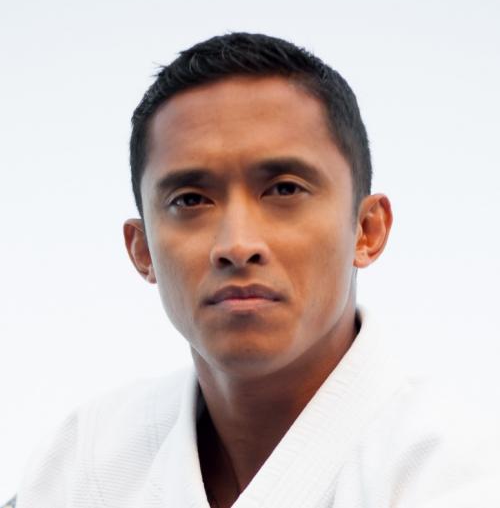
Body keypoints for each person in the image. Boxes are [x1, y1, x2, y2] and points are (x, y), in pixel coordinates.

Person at [10, 32, 500, 508]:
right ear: (142, 250)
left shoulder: (457, 474)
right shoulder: (83, 466)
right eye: (190, 200)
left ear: (366, 230)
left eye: (285, 189)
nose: (237, 245)